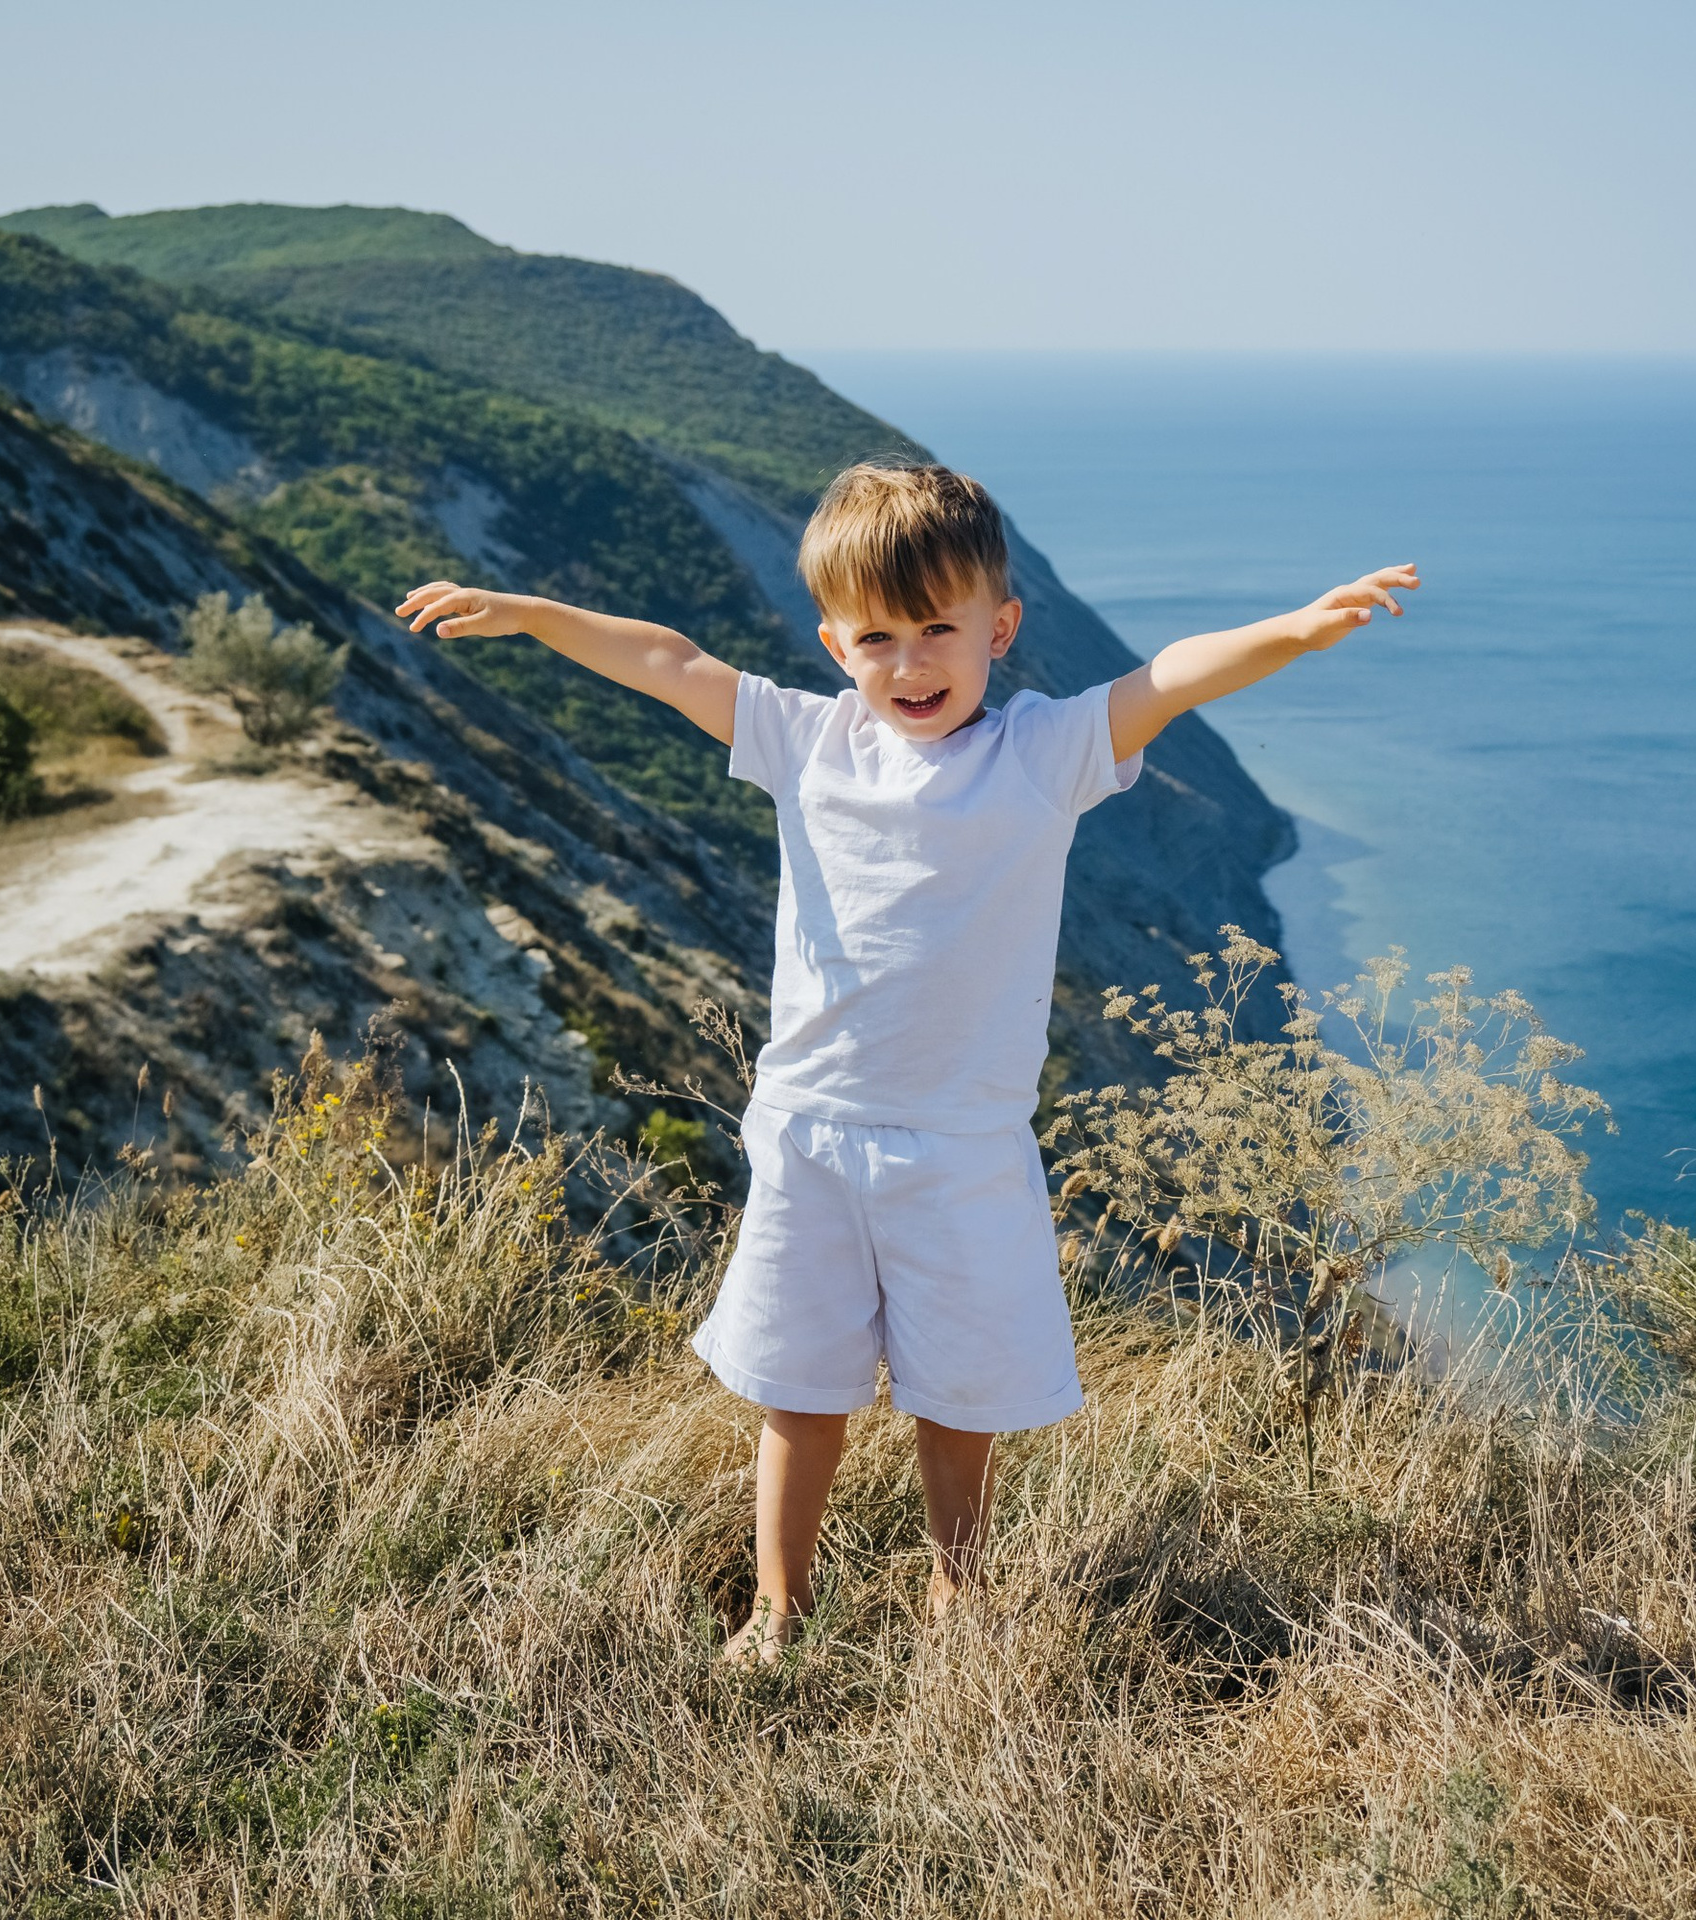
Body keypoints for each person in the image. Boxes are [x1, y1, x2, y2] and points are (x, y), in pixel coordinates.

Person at [398, 462, 1416, 1658]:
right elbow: (667, 661)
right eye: (876, 636)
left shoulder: (1040, 754)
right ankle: (780, 1605)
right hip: (810, 1130)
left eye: (940, 629)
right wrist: (527, 615)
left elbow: (1166, 678)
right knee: (799, 1391)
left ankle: (957, 1595)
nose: (910, 662)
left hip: (964, 1148)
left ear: (1001, 627)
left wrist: (1296, 630)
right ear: (833, 643)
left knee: (961, 1397)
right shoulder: (803, 738)